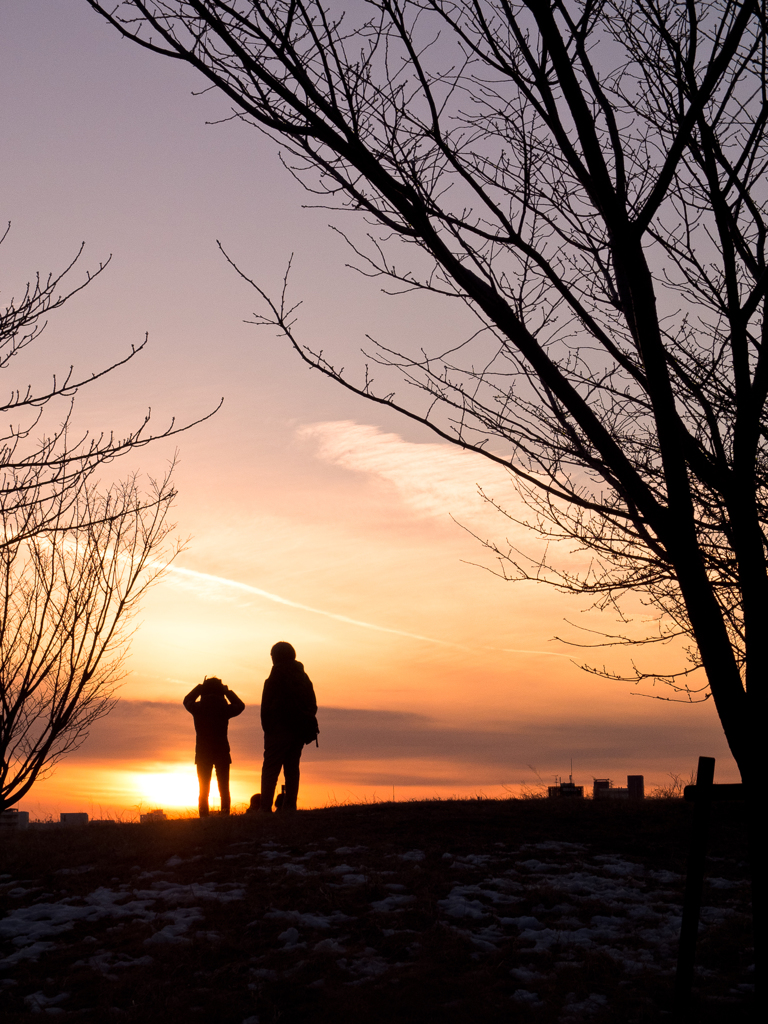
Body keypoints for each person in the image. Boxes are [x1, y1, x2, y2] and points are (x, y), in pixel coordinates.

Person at [259, 642, 317, 813]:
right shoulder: (303, 678)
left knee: (270, 769)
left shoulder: (275, 675)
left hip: (278, 730)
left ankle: (265, 808)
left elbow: (266, 705)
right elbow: (313, 705)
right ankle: (290, 806)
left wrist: (268, 727)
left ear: (275, 656)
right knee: (292, 768)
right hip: (299, 731)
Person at [183, 677, 245, 817]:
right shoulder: (223, 708)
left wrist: (199, 687)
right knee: (224, 788)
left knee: (203, 789)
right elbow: (240, 705)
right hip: (222, 751)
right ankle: (225, 815)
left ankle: (203, 816)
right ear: (220, 691)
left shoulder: (198, 708)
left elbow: (186, 700)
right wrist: (227, 691)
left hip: (203, 753)